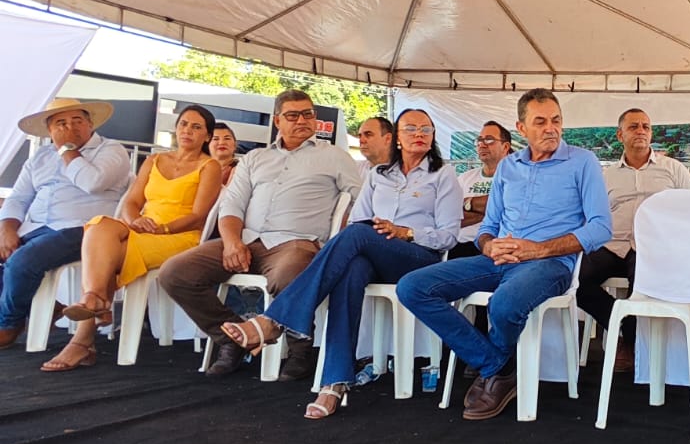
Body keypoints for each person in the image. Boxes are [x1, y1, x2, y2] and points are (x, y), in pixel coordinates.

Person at [220, 108, 462, 418]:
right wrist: (378, 233)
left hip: (418, 258)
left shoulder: (443, 175)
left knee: (357, 235)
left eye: (426, 129)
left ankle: (274, 320)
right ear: (397, 138)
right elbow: (360, 220)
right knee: (352, 269)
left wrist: (406, 232)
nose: (419, 134)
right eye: (411, 129)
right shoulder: (378, 175)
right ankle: (333, 384)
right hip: (374, 252)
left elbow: (448, 237)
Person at [397, 88, 610, 421]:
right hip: (497, 259)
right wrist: (487, 245)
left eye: (556, 120)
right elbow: (488, 227)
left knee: (504, 304)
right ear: (521, 128)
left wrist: (539, 249)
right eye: (540, 122)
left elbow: (600, 228)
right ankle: (498, 367)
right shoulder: (509, 166)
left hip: (548, 264)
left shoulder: (582, 162)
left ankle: (493, 374)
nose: (551, 128)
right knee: (412, 287)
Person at [158, 90, 363, 380]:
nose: (302, 120)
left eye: (308, 114)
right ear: (277, 121)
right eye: (293, 115)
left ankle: (300, 350)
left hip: (296, 243)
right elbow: (232, 205)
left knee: (289, 274)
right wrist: (232, 243)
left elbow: (360, 200)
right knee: (175, 273)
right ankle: (232, 339)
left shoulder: (335, 157)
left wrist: (338, 238)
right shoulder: (255, 158)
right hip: (246, 240)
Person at [43, 105, 221, 371]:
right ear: (176, 128)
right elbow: (132, 201)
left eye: (196, 127)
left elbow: (199, 216)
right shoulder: (154, 160)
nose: (187, 131)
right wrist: (135, 220)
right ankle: (94, 299)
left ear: (206, 136)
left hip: (180, 236)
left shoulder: (209, 166)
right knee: (99, 225)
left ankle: (84, 334)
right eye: (183, 124)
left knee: (111, 252)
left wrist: (164, 229)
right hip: (143, 228)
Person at [0, 99, 131, 348]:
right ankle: (49, 307)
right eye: (60, 123)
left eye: (77, 121)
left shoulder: (111, 150)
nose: (69, 127)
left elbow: (93, 183)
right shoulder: (40, 156)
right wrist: (6, 229)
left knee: (23, 261)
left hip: (84, 229)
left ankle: (9, 324)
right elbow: (18, 198)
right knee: (8, 253)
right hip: (35, 226)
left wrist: (66, 149)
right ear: (49, 131)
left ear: (90, 124)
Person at [576, 108, 690, 373]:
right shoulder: (606, 176)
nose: (641, 131)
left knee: (641, 285)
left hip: (653, 247)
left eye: (645, 126)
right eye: (633, 127)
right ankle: (623, 326)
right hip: (612, 244)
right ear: (620, 135)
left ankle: (631, 343)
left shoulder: (673, 169)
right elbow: (592, 215)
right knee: (575, 280)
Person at [452, 122, 514, 259]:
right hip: (460, 247)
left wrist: (467, 203)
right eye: (479, 140)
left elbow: (510, 206)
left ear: (505, 147)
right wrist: (492, 211)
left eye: (489, 140)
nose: (482, 144)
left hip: (497, 248)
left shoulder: (516, 179)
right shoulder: (464, 178)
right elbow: (451, 217)